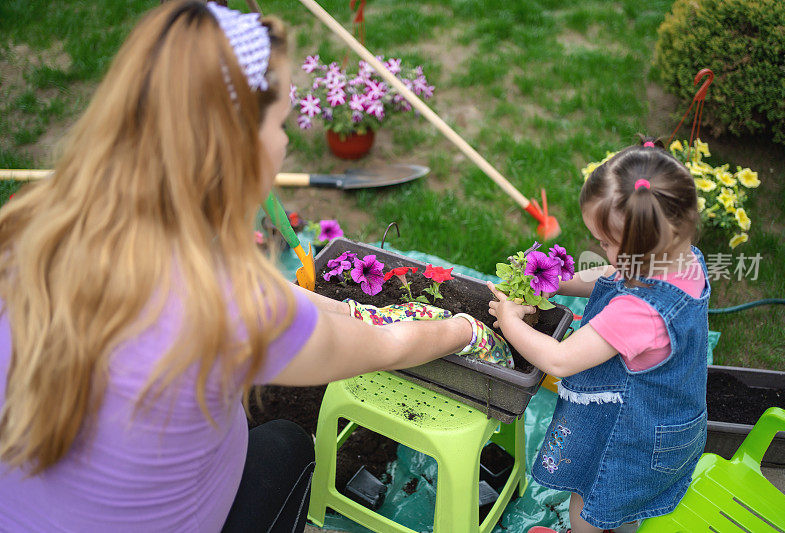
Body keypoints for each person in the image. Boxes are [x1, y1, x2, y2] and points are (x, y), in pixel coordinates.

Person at [0, 2, 509, 531]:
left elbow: (280, 302)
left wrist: (344, 308)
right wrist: (463, 329)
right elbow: (386, 347)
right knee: (288, 443)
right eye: (280, 124)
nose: (287, 143)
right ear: (237, 145)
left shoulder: (29, 232)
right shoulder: (226, 307)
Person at [489, 138, 709, 532]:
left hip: (631, 439)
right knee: (625, 500)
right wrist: (557, 282)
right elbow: (611, 277)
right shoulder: (681, 257)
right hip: (669, 425)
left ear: (639, 253)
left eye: (606, 243)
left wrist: (509, 319)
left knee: (591, 499)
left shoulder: (639, 311)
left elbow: (559, 359)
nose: (601, 249)